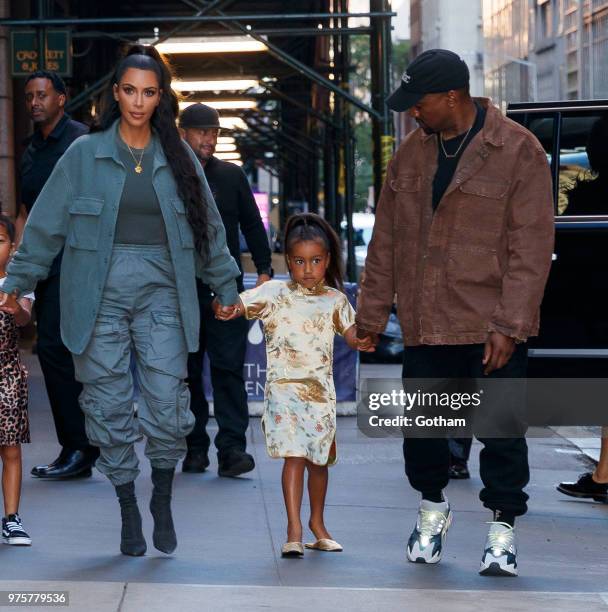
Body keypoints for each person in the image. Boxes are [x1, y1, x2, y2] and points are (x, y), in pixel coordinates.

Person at [0, 45, 240, 557]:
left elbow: (209, 231)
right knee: (106, 407)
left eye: (149, 92)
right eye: (130, 90)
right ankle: (129, 503)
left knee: (167, 404)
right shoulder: (84, 156)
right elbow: (43, 227)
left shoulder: (176, 157)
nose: (138, 101)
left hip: (164, 295)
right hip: (97, 296)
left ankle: (162, 497)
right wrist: (14, 284)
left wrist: (226, 287)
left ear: (161, 98)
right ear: (115, 93)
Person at [356, 49, 554, 576]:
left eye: (419, 104)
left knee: (501, 434)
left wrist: (510, 325)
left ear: (452, 97)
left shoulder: (518, 151)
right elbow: (386, 243)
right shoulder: (411, 155)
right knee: (422, 434)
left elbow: (530, 249)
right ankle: (432, 511)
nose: (412, 115)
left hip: (490, 325)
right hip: (425, 323)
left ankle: (502, 530)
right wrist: (370, 318)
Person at [217, 213, 367, 557]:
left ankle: (318, 524)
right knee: (294, 458)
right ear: (289, 261)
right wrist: (225, 306)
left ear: (327, 260)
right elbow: (237, 303)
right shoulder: (273, 293)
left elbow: (352, 334)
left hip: (320, 397)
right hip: (283, 393)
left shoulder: (336, 300)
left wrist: (364, 338)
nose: (308, 269)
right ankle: (294, 529)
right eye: (299, 261)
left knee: (319, 461)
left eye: (316, 261)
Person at [178, 103, 273, 477]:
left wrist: (264, 271)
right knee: (184, 373)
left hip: (226, 291)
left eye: (215, 132)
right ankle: (195, 446)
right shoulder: (168, 175)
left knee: (228, 370)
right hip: (180, 292)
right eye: (202, 131)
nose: (210, 138)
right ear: (182, 132)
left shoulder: (230, 176)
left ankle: (232, 449)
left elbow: (252, 225)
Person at [16, 70, 98, 480]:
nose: (34, 102)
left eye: (43, 95)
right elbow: (26, 214)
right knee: (52, 351)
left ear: (61, 99)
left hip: (80, 263)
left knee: (68, 351)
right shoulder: (30, 150)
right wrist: (17, 270)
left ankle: (83, 447)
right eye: (29, 95)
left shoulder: (81, 141)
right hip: (46, 265)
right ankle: (79, 447)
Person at [0, 215, 34, 546]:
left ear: (12, 247)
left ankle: (12, 518)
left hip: (7, 376)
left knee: (10, 449)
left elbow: (25, 318)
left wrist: (15, 309)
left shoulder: (18, 282)